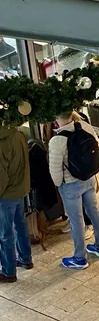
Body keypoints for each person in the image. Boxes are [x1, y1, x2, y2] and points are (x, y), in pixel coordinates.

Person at [48, 112, 99, 269]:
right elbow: (98, 149)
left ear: (56, 118)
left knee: (76, 220)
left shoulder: (57, 140)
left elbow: (55, 170)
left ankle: (79, 258)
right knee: (94, 211)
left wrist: (59, 185)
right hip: (89, 179)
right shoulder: (85, 127)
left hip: (70, 184)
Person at [0, 121, 31, 282]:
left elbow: (1, 179)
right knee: (20, 225)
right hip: (21, 188)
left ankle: (8, 272)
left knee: (5, 234)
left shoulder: (1, 145)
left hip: (6, 195)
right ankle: (26, 259)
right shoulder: (18, 134)